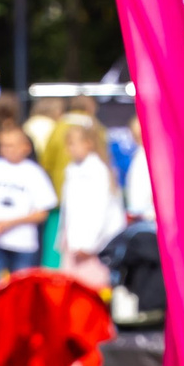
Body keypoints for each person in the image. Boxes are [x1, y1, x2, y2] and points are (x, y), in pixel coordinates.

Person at [56, 119, 126, 286]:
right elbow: (69, 210)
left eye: (73, 144)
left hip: (92, 247)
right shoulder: (72, 170)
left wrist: (88, 245)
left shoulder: (97, 171)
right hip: (75, 244)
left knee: (91, 291)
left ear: (88, 143)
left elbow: (98, 211)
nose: (69, 150)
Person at [0, 117, 57, 282]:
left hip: (23, 244)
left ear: (25, 147)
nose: (6, 150)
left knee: (20, 292)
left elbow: (42, 212)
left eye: (11, 146)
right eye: (2, 145)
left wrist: (9, 223)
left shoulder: (34, 172)